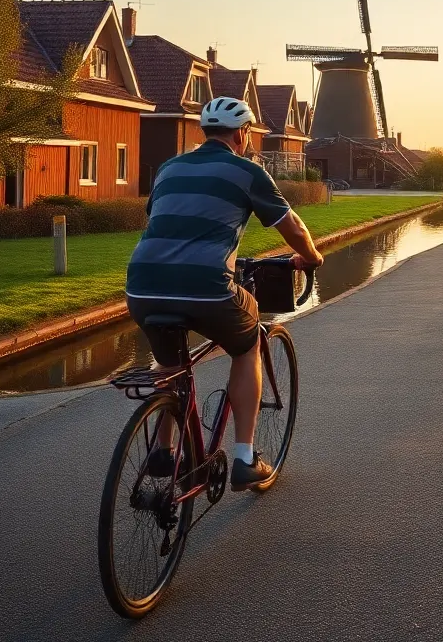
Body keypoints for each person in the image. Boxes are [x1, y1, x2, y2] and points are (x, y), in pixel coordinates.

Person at [126, 96, 323, 491]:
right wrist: (311, 257)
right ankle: (245, 458)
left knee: (170, 366)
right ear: (243, 133)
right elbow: (293, 227)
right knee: (248, 344)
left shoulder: (169, 167)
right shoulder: (246, 170)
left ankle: (163, 452)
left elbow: (168, 221)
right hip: (206, 288)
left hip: (142, 286)